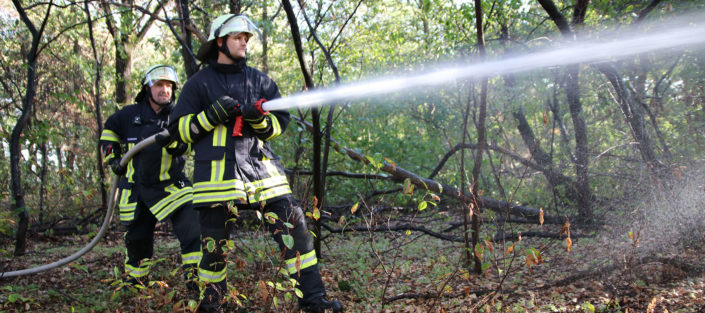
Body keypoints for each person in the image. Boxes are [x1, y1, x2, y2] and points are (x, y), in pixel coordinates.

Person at [165, 14, 343, 313]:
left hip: (264, 175)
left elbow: (279, 124)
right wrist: (210, 116)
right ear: (219, 42)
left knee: (296, 232)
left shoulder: (260, 81)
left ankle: (314, 303)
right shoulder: (198, 85)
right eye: (238, 37)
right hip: (216, 183)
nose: (245, 41)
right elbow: (176, 136)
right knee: (213, 253)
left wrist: (258, 120)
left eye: (247, 37)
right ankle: (211, 307)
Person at [100, 64, 201, 291]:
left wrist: (176, 145)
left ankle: (197, 285)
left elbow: (189, 144)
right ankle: (135, 286)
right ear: (148, 88)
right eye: (159, 85)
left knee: (193, 227)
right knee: (137, 242)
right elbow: (109, 132)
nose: (164, 90)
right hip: (136, 190)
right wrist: (112, 156)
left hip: (171, 187)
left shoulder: (180, 115)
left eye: (169, 85)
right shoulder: (129, 115)